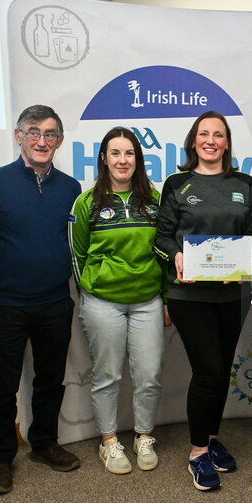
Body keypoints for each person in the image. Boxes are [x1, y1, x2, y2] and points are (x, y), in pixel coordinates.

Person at [154, 110, 252, 491]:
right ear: (194, 140)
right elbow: (162, 238)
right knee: (209, 370)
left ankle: (211, 438)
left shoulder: (244, 183)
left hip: (231, 294)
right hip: (188, 295)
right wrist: (178, 256)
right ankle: (197, 453)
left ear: (227, 142)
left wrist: (248, 262)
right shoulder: (177, 183)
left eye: (218, 134)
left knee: (222, 369)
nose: (211, 140)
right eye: (204, 134)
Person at [0, 105, 82, 496]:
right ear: (18, 136)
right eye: (34, 132)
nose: (43, 140)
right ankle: (1, 458)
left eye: (51, 133)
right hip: (5, 304)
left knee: (50, 379)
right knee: (2, 386)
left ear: (59, 140)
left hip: (55, 301)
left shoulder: (71, 189)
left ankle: (44, 443)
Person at [71, 128, 168, 476]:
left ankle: (144, 437)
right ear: (103, 158)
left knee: (149, 375)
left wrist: (167, 298)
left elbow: (167, 252)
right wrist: (90, 290)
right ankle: (109, 442)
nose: (122, 160)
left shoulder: (154, 200)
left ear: (138, 160)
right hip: (102, 302)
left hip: (148, 300)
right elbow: (77, 254)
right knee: (108, 374)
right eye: (115, 153)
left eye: (129, 153)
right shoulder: (87, 202)